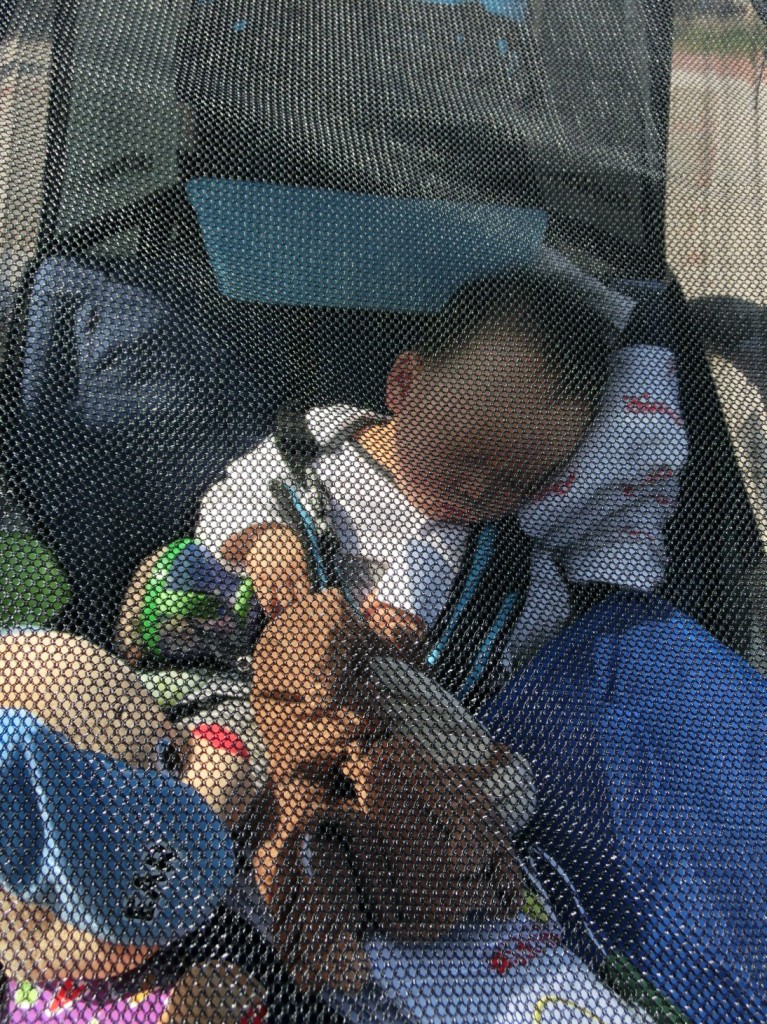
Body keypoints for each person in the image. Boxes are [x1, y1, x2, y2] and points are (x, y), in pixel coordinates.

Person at [185, 268, 766, 1023]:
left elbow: (527, 631)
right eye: (464, 455)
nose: (477, 491)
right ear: (402, 385)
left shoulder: (499, 551)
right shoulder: (318, 449)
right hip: (286, 687)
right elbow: (230, 493)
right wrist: (263, 541)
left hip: (440, 733)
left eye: (519, 480)